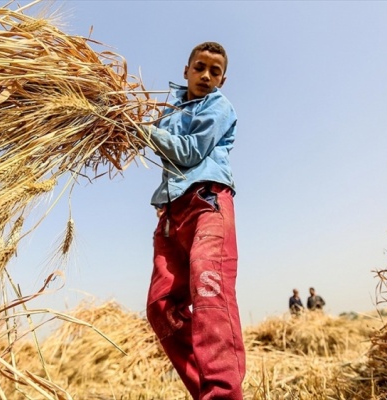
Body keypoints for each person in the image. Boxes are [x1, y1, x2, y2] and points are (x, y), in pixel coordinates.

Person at [141, 42, 244, 400]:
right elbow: (159, 146)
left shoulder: (219, 105)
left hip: (207, 203)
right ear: (185, 70)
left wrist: (145, 131)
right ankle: (206, 392)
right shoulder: (168, 108)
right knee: (161, 308)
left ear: (223, 79)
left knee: (208, 289)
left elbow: (188, 152)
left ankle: (223, 393)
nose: (206, 76)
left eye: (215, 72)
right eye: (200, 67)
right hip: (172, 213)